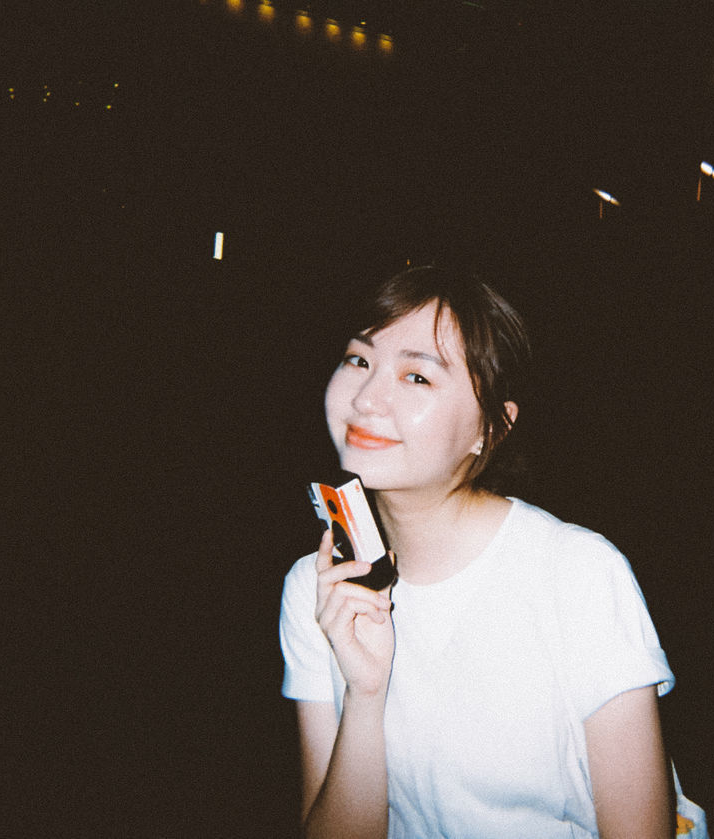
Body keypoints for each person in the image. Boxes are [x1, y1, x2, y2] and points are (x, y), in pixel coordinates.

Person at [280, 265, 677, 838]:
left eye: (417, 377)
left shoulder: (577, 574)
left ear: (489, 429)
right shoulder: (317, 587)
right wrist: (364, 697)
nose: (366, 398)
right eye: (358, 360)